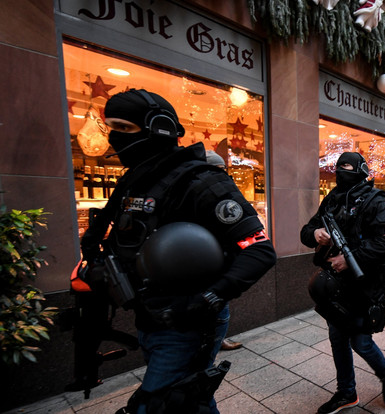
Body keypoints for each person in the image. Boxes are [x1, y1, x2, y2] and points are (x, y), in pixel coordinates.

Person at [81, 89, 276, 413]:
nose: (116, 137)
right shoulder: (134, 182)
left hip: (188, 323)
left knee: (157, 404)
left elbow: (259, 251)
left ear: (159, 128)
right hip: (150, 315)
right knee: (189, 397)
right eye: (111, 127)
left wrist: (207, 299)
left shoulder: (202, 183)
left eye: (125, 128)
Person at [300, 152, 385, 414]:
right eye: (338, 168)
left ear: (361, 171)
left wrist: (351, 257)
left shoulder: (375, 201)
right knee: (337, 338)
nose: (341, 172)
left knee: (361, 343)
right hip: (336, 286)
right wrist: (316, 233)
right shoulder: (331, 200)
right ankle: (347, 392)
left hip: (365, 285)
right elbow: (306, 231)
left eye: (347, 167)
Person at [204, 150, 244, 351]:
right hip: (204, 260)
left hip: (222, 257)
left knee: (221, 304)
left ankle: (218, 338)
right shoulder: (199, 193)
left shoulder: (225, 191)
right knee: (217, 306)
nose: (221, 174)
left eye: (223, 169)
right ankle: (214, 340)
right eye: (216, 169)